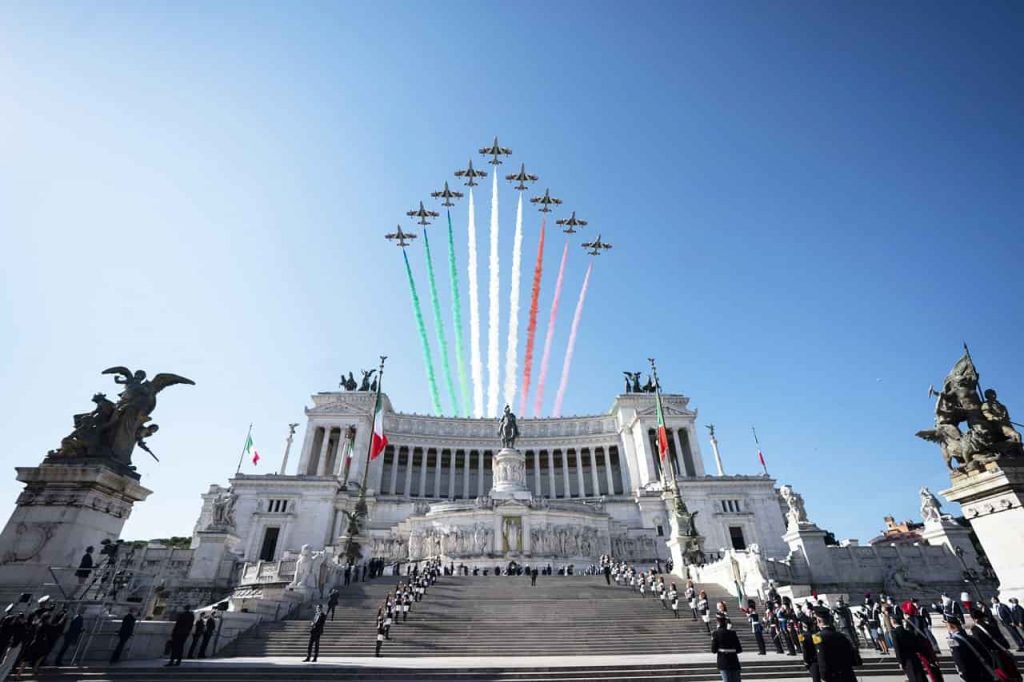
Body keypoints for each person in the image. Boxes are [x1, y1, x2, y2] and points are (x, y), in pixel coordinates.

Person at [813, 607, 859, 682]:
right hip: (848, 675)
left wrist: (824, 678)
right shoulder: (841, 635)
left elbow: (822, 662)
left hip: (834, 677)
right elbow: (853, 657)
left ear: (819, 620)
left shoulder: (819, 638)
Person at [945, 615, 993, 682]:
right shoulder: (969, 637)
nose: (947, 628)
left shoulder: (953, 641)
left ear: (952, 626)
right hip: (980, 669)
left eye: (947, 626)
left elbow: (958, 658)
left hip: (969, 671)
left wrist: (962, 673)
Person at [711, 614, 743, 682]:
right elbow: (739, 649)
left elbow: (713, 650)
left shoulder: (716, 633)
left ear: (718, 622)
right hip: (734, 661)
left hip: (723, 661)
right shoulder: (733, 633)